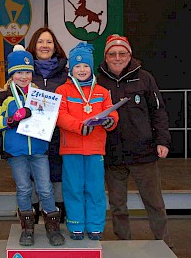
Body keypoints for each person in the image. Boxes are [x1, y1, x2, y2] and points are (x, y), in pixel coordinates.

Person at [0, 45, 65, 247]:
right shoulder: (3, 96)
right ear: (12, 74)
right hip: (16, 152)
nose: (24, 76)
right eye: (19, 72)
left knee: (46, 189)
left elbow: (50, 119)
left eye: (27, 72)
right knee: (24, 189)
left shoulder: (40, 94)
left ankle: (52, 228)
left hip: (39, 150)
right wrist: (10, 120)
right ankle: (27, 230)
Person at [96, 34, 173, 247]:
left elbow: (159, 112)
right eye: (112, 54)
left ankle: (163, 243)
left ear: (130, 55)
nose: (117, 58)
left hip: (144, 153)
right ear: (106, 57)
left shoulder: (145, 78)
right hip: (113, 155)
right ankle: (123, 244)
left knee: (154, 203)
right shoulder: (97, 80)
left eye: (122, 53)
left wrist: (162, 141)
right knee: (118, 205)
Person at [55, 42, 119, 241]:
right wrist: (79, 126)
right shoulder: (62, 90)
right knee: (73, 187)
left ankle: (95, 225)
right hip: (71, 148)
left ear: (91, 68)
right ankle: (75, 224)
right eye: (77, 66)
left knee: (95, 188)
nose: (82, 70)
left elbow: (112, 111)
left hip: (95, 148)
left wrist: (111, 121)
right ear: (71, 69)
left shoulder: (102, 91)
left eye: (85, 66)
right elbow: (59, 115)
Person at [26, 27, 68, 224]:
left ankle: (57, 225)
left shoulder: (66, 74)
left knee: (57, 178)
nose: (44, 45)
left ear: (55, 46)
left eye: (49, 42)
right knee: (32, 180)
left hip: (58, 137)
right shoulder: (23, 73)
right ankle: (31, 226)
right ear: (33, 46)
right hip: (30, 138)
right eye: (40, 41)